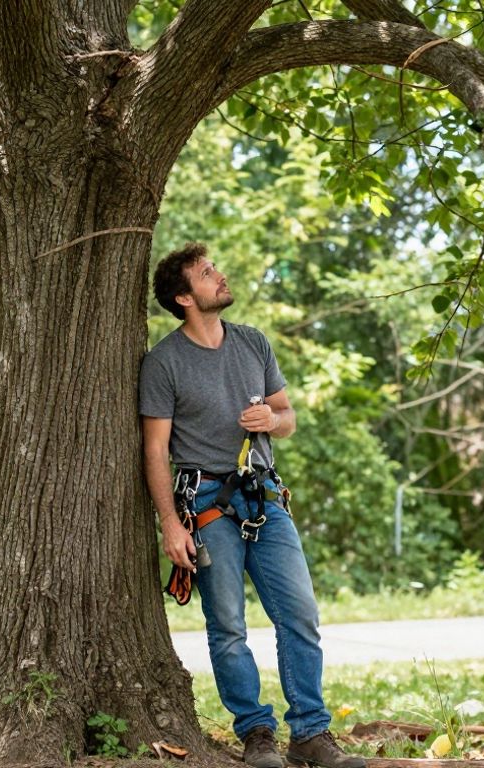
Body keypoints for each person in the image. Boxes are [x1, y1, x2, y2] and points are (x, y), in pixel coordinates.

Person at [139, 243, 365, 768]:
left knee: (300, 615)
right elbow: (154, 450)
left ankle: (310, 732)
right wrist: (170, 525)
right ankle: (257, 735)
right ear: (183, 297)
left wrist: (272, 422)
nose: (220, 276)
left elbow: (286, 416)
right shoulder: (164, 363)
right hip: (205, 503)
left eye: (214, 267)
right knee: (227, 625)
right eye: (206, 273)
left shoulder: (253, 343)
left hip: (264, 495)